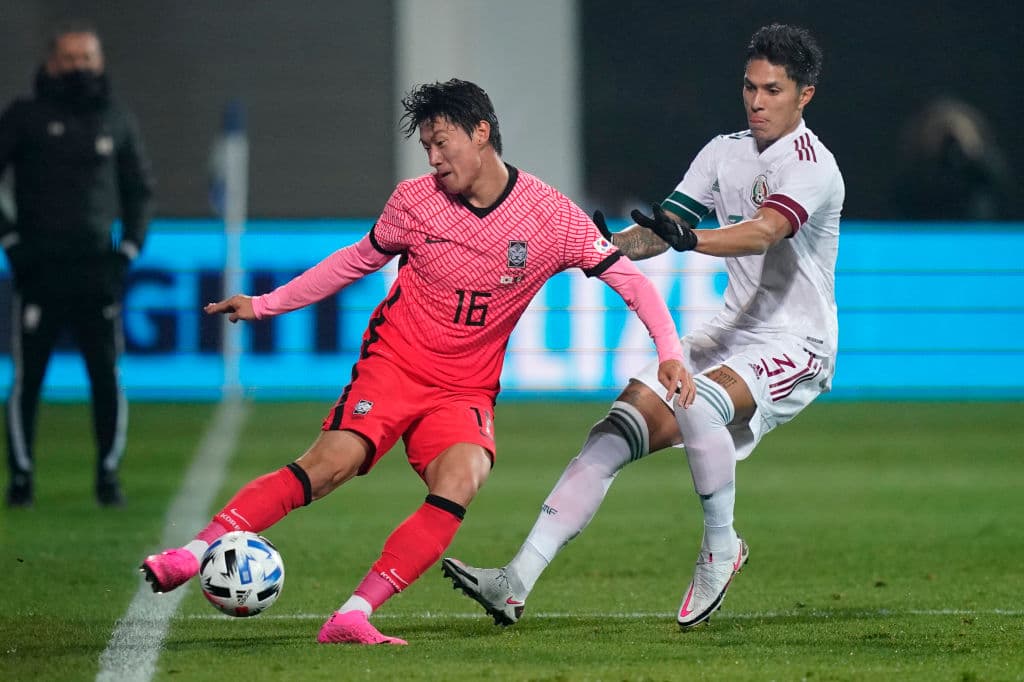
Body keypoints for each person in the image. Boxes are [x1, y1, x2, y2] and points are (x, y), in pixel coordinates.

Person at [140, 79, 693, 645]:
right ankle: (193, 552)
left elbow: (632, 284)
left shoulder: (550, 216)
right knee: (333, 463)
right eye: (425, 146)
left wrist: (669, 353)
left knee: (464, 477)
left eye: (441, 142)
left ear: (481, 133)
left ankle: (353, 615)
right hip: (395, 365)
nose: (433, 158)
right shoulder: (414, 200)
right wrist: (264, 305)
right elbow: (354, 262)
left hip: (465, 389)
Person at [443, 24, 844, 630]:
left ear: (804, 95)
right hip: (733, 330)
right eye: (749, 86)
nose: (756, 102)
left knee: (698, 403)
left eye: (773, 90)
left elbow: (764, 230)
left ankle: (720, 549)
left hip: (798, 342)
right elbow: (664, 227)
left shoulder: (814, 167)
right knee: (615, 428)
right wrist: (605, 245)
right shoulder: (722, 151)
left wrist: (694, 240)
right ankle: (515, 580)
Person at [0, 21, 154, 508]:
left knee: (107, 376)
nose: (79, 67)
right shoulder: (24, 116)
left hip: (96, 271)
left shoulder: (116, 118)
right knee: (28, 380)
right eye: (70, 58)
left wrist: (127, 249)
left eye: (88, 58)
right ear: (51, 63)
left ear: (100, 62)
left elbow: (139, 191)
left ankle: (108, 477)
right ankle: (21, 478)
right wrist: (11, 241)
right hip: (38, 269)